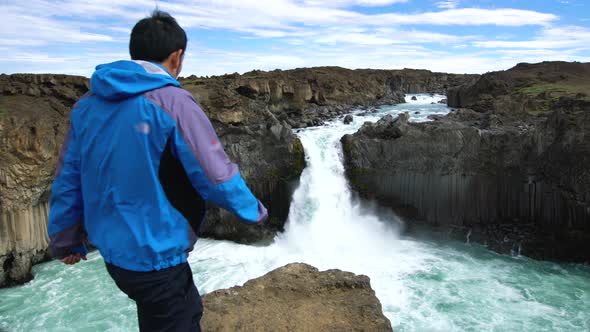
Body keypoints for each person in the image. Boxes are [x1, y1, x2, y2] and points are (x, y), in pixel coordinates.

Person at [47, 10, 268, 332]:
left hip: (115, 252)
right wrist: (255, 212)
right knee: (180, 317)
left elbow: (68, 178)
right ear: (177, 56)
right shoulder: (173, 102)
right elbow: (214, 173)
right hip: (156, 250)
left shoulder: (87, 105)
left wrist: (65, 240)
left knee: (157, 315)